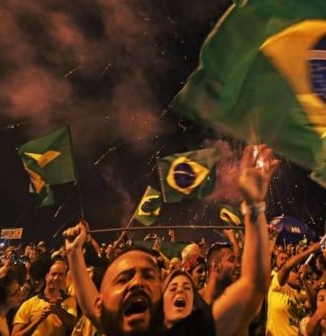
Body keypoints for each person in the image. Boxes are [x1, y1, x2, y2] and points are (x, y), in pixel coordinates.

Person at [64, 144, 279, 336]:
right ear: (100, 306)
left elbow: (252, 286)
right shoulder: (110, 322)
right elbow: (86, 298)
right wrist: (74, 253)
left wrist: (254, 205)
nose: (137, 283)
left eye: (149, 275)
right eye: (123, 279)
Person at [266, 242, 320, 336]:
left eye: (286, 259)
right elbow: (286, 267)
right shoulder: (275, 283)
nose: (284, 261)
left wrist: (304, 280)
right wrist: (310, 250)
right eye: (281, 258)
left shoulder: (300, 292)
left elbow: (311, 302)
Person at [12, 260, 77, 336]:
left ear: (64, 278)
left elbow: (71, 325)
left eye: (60, 275)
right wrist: (38, 320)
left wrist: (58, 310)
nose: (56, 278)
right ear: (47, 276)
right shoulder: (30, 303)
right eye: (53, 274)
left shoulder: (69, 300)